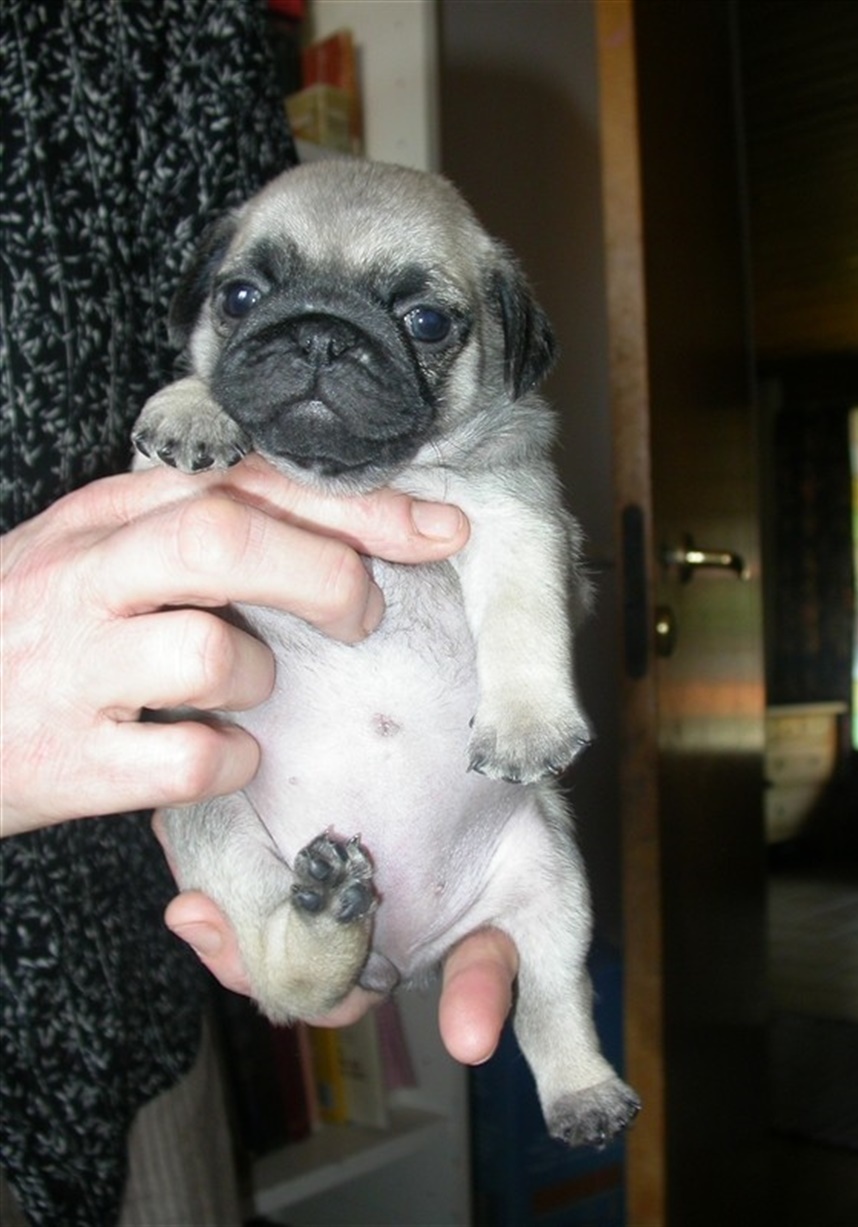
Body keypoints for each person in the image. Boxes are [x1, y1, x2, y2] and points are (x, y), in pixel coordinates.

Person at [1, 3, 516, 1224]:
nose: (330, 347)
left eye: (418, 321)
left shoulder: (182, 24)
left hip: (140, 975)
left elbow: (248, 320)